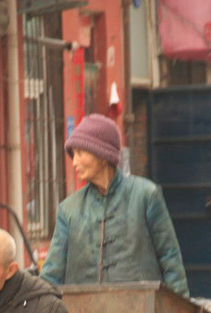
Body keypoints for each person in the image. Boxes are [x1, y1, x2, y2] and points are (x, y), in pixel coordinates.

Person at [40, 114, 189, 297]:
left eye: (80, 153)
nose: (74, 162)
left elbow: (170, 261)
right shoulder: (68, 209)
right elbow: (51, 275)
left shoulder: (146, 196)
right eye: (73, 155)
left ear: (103, 156)